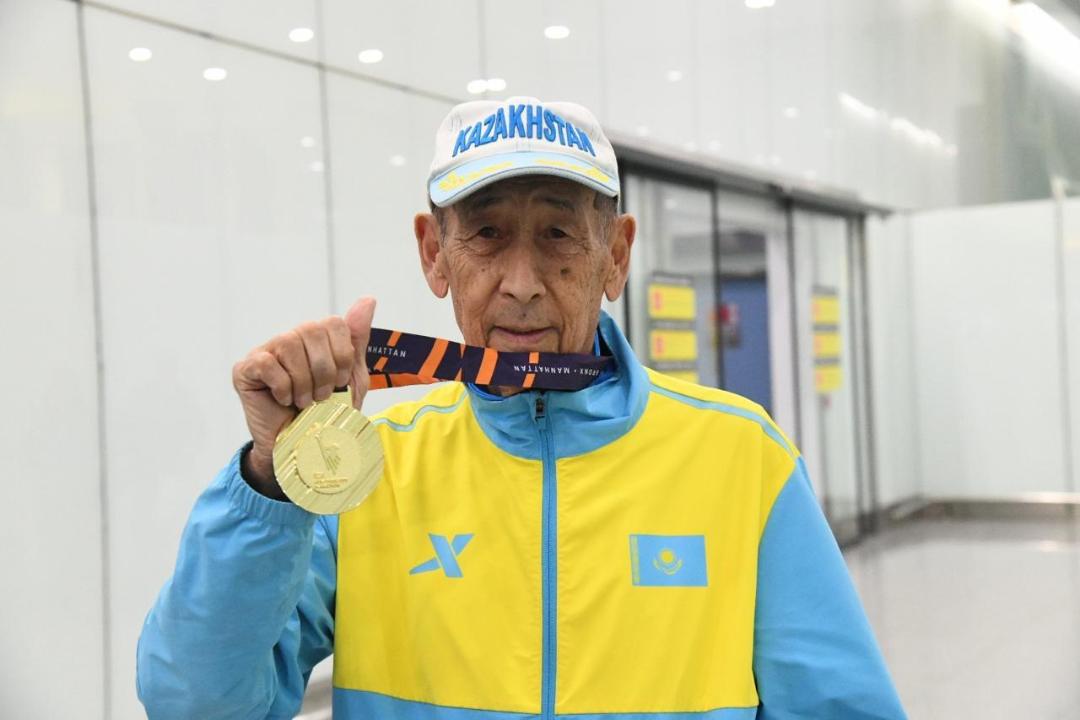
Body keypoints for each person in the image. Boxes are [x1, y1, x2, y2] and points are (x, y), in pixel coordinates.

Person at [137, 96, 907, 719]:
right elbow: (195, 705)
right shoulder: (367, 467)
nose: (522, 283)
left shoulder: (741, 458)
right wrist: (272, 483)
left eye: (559, 235)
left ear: (616, 255)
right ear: (434, 253)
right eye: (487, 234)